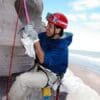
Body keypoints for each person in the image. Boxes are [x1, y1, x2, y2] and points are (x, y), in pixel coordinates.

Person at [4, 12, 73, 100]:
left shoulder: (61, 47)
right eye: (48, 25)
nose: (46, 28)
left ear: (58, 30)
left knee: (22, 80)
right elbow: (31, 42)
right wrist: (26, 33)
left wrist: (36, 40)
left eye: (50, 27)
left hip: (51, 75)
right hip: (40, 68)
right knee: (24, 90)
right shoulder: (45, 36)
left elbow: (42, 59)